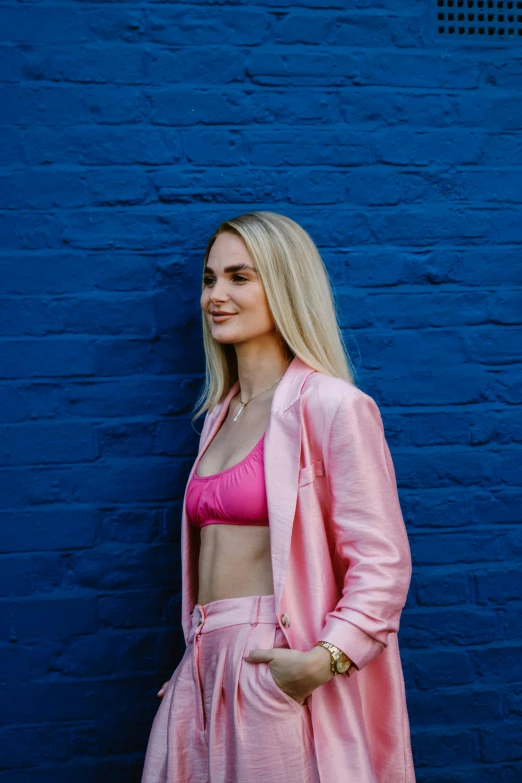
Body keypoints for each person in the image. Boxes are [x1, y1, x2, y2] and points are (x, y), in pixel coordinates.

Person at [141, 211, 415, 783]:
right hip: (201, 667)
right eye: (210, 279)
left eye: (240, 277)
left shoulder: (333, 406)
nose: (216, 295)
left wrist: (321, 661)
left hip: (273, 660)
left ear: (285, 285)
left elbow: (382, 563)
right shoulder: (219, 415)